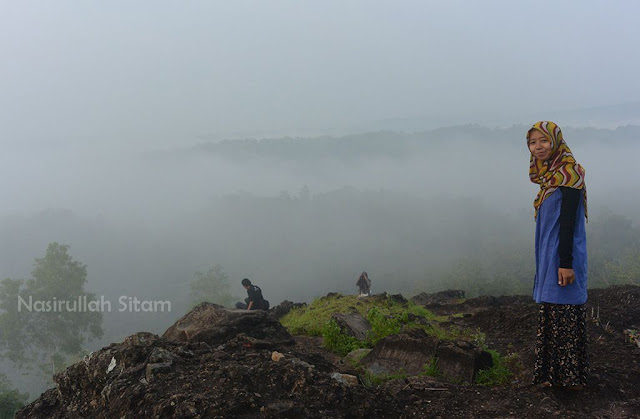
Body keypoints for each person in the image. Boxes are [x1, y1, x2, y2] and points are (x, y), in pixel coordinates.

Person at [526, 121, 588, 390]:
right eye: (532, 142)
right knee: (552, 310)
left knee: (565, 311)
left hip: (564, 255)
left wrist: (565, 263)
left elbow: (568, 221)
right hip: (550, 254)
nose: (538, 147)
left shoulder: (569, 173)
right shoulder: (548, 176)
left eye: (543, 141)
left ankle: (569, 378)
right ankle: (550, 376)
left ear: (556, 141)